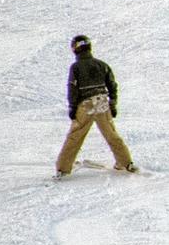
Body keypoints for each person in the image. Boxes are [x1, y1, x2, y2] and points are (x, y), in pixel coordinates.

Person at [56, 34, 136, 177]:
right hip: (101, 102)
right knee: (111, 133)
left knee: (75, 135)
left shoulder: (76, 67)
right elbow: (112, 85)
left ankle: (63, 168)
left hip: (85, 105)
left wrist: (73, 107)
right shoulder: (101, 64)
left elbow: (72, 88)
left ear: (75, 49)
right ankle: (126, 163)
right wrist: (113, 103)